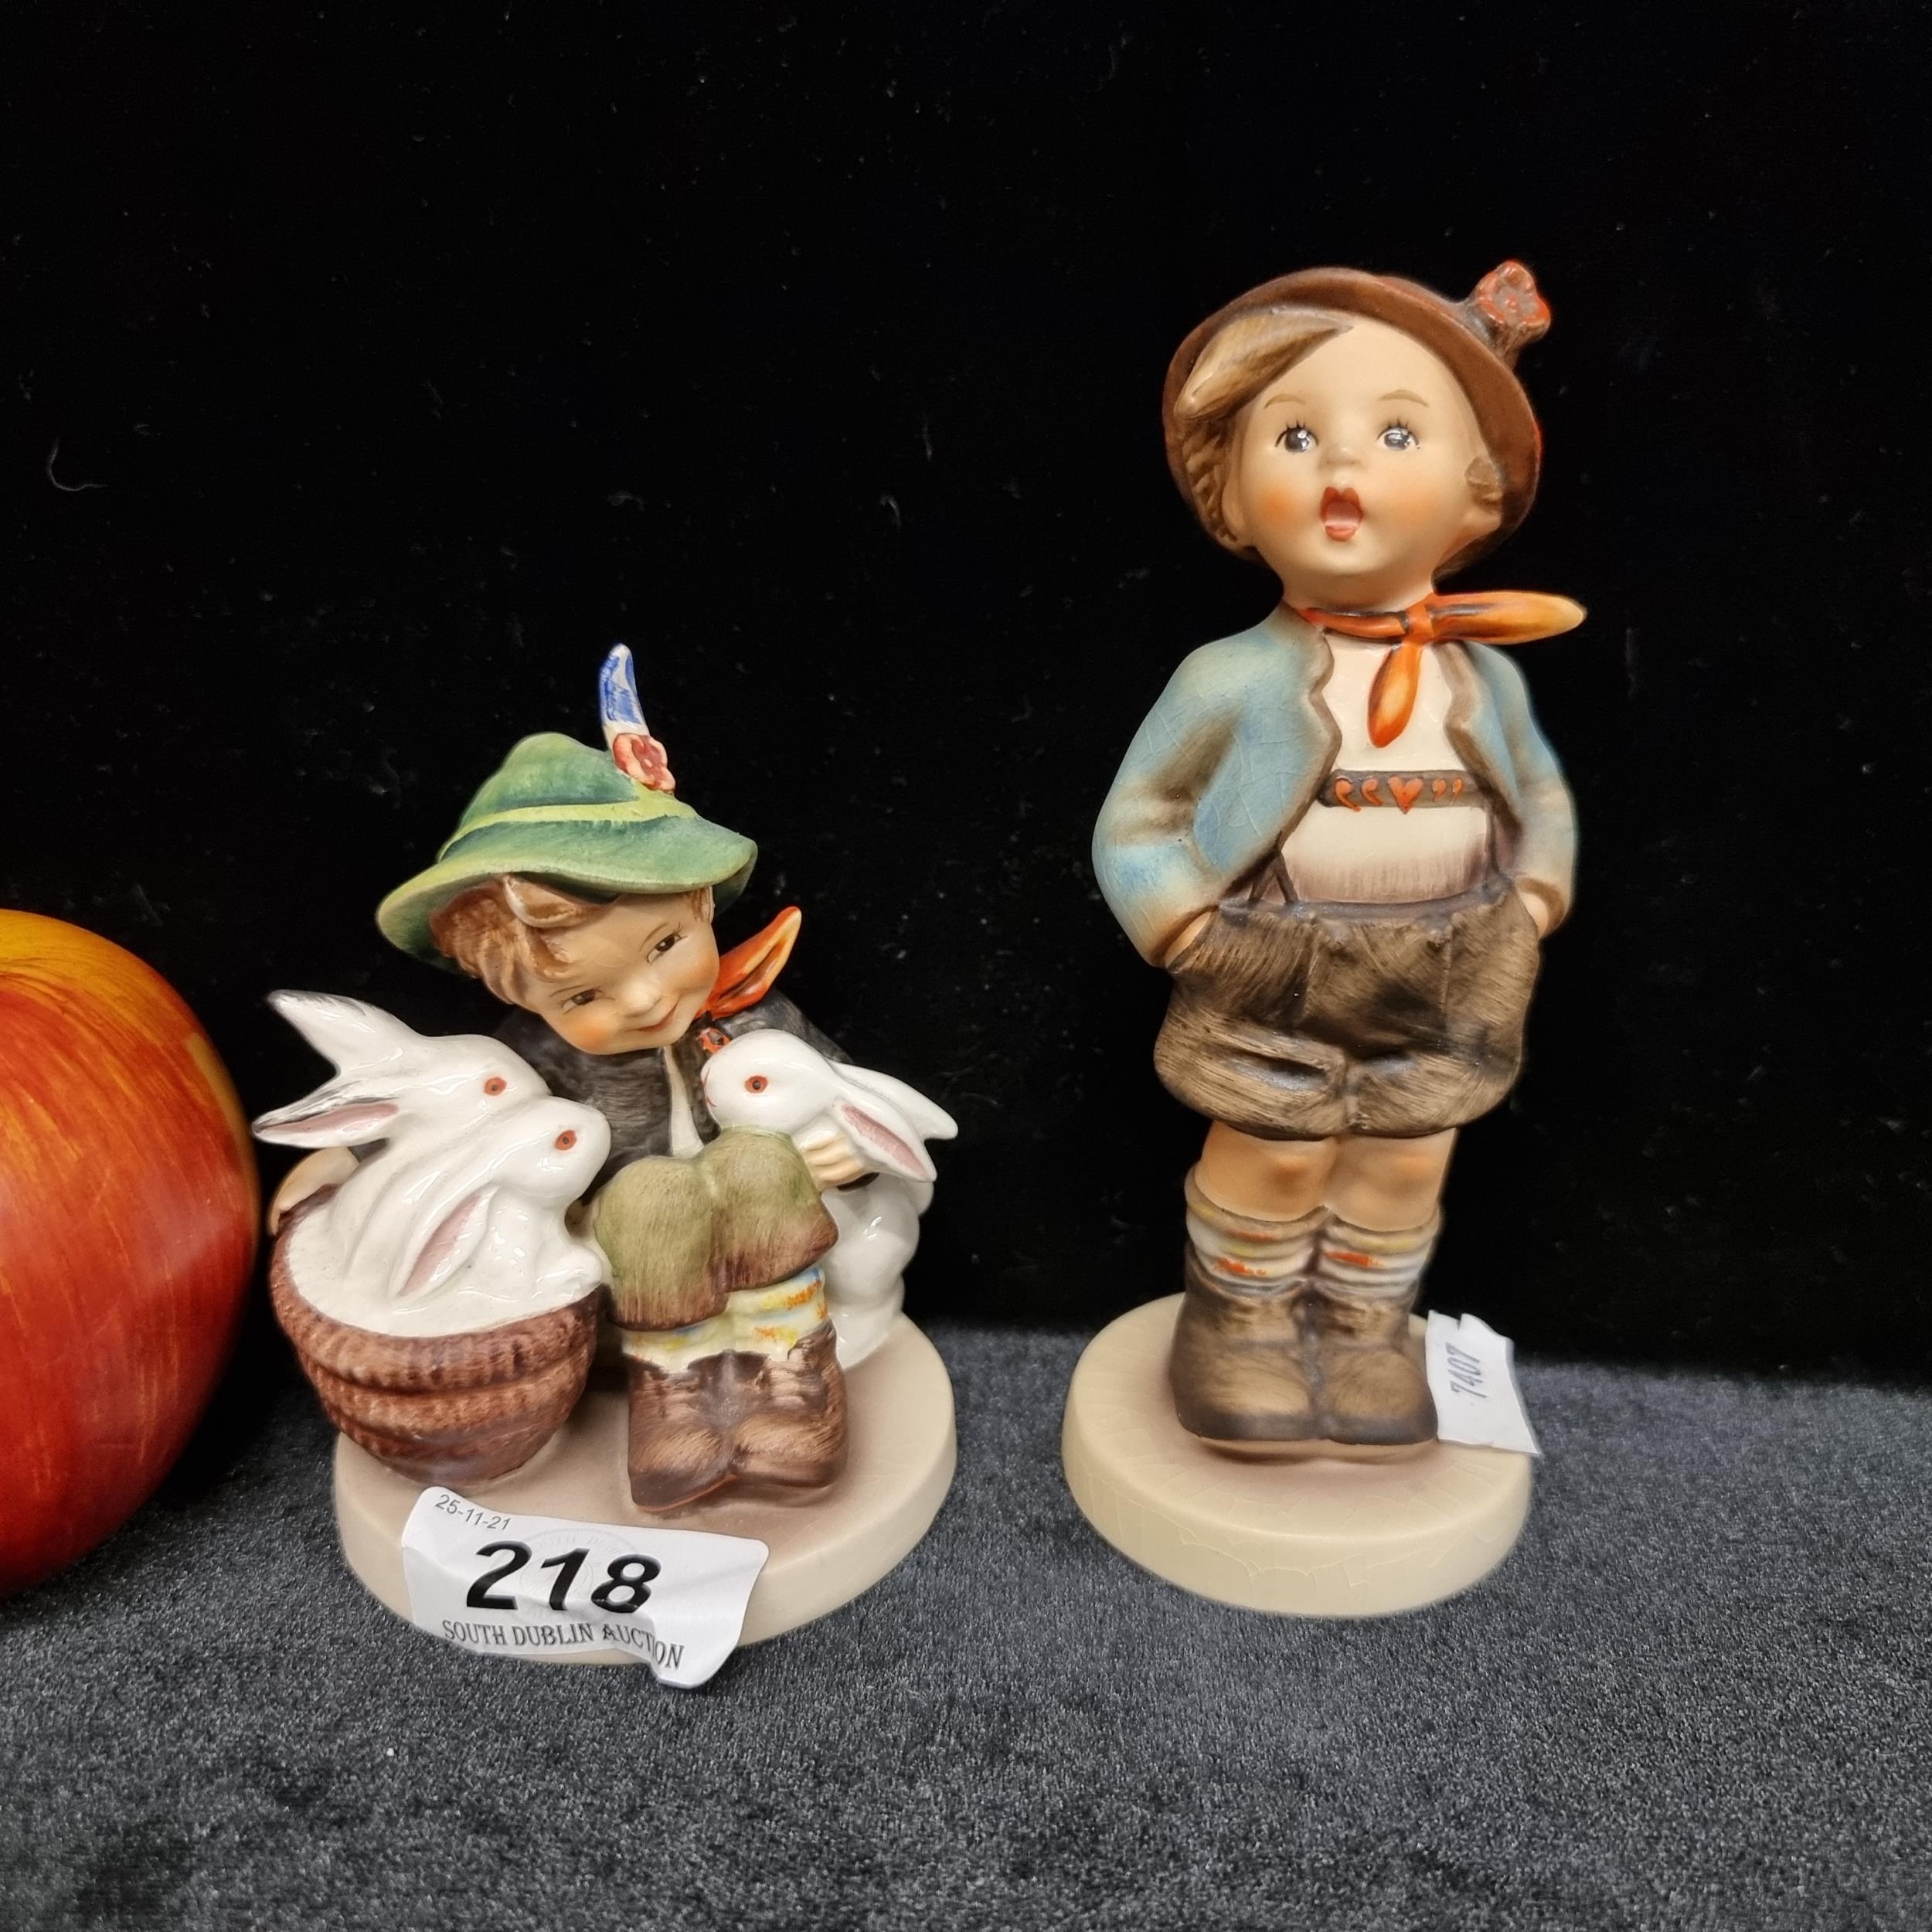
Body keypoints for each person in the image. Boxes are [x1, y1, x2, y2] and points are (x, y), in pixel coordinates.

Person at [1094, 262, 1580, 1447]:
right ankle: (1242, 1325)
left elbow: (1542, 795)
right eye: (1297, 435)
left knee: (1409, 1157)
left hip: (1458, 960)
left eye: (1397, 433)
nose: (1342, 467)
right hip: (1273, 961)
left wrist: (1532, 898)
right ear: (1231, 488)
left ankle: (1364, 1326)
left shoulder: (1487, 676)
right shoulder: (1229, 676)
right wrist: (1191, 932)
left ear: (1476, 492)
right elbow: (1137, 819)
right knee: (1273, 1150)